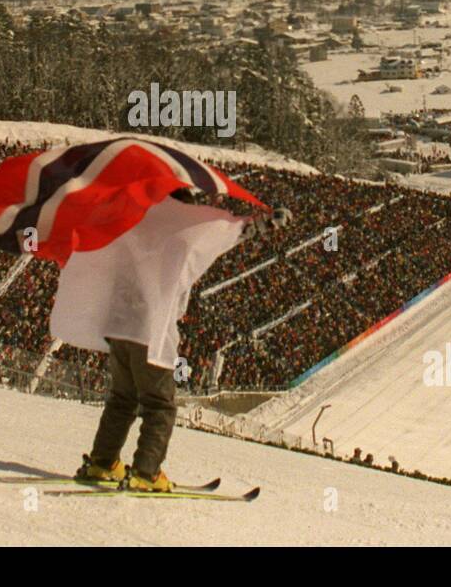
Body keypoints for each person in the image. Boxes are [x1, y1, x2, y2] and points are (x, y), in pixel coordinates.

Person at [72, 190, 291, 492]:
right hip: (150, 331)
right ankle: (146, 473)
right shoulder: (182, 236)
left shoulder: (136, 226)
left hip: (119, 326)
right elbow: (224, 235)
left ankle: (102, 462)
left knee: (123, 398)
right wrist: (266, 222)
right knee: (160, 405)